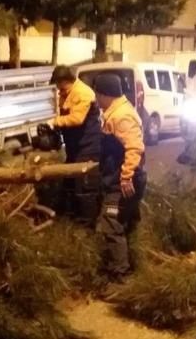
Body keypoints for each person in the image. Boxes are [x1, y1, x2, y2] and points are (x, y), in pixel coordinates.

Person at [92, 73, 146, 281]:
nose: (96, 99)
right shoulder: (114, 112)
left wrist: (126, 177)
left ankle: (120, 277)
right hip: (118, 180)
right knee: (126, 223)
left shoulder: (121, 116)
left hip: (122, 183)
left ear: (105, 95)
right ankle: (130, 267)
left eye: (97, 94)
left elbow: (134, 147)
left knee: (111, 222)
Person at [49, 65, 102, 223]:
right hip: (75, 148)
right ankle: (71, 220)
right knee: (69, 184)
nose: (58, 90)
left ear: (65, 81)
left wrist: (55, 122)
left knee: (84, 189)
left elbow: (76, 119)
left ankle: (88, 226)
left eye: (59, 85)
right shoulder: (66, 94)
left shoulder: (83, 93)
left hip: (88, 147)